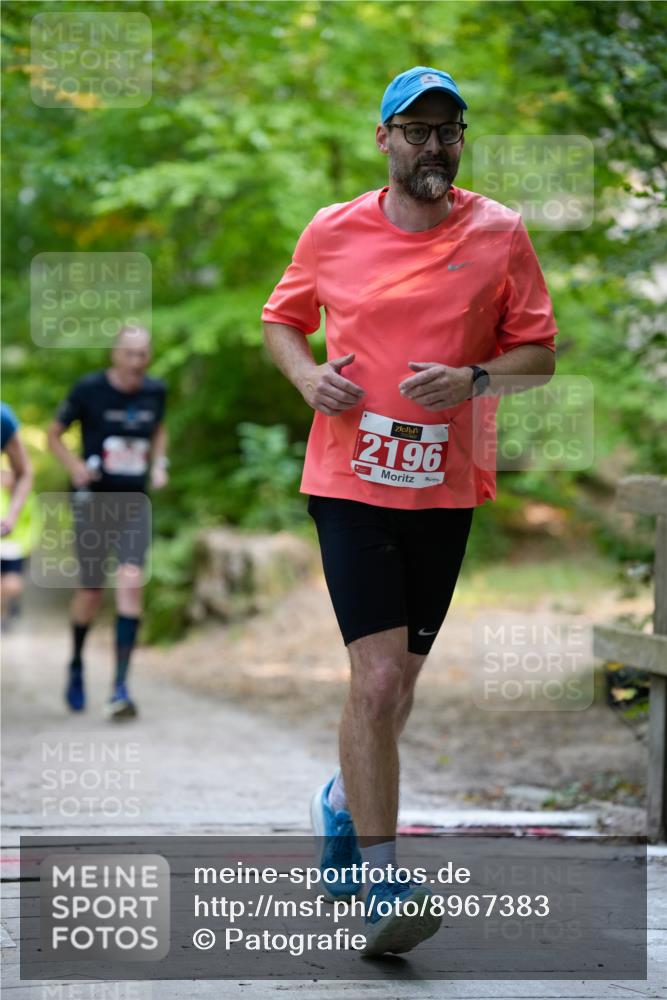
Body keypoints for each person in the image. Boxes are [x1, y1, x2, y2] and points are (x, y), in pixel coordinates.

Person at [262, 67, 557, 956]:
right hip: (348, 479)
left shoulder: (499, 232)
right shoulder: (332, 229)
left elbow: (537, 354)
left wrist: (474, 377)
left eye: (449, 131)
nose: (434, 146)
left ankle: (341, 806)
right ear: (382, 136)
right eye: (416, 130)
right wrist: (305, 373)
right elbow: (281, 319)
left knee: (399, 691)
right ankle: (383, 879)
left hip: (444, 483)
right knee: (379, 681)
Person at [47, 325, 168, 720]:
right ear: (115, 354)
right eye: (130, 354)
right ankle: (77, 663)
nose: (137, 362)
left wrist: (160, 463)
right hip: (94, 502)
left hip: (135, 502)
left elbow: (159, 429)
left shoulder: (155, 391)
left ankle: (119, 687)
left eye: (144, 354)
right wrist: (76, 467)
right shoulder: (88, 389)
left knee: (131, 580)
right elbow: (53, 435)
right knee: (92, 591)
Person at [1, 402, 34, 627]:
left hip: (13, 546)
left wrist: (12, 516)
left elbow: (24, 473)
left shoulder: (3, 419)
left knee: (11, 584)